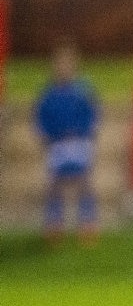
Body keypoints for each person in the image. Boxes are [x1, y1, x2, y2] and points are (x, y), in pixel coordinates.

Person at [34, 41, 100, 246]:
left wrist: (85, 134)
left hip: (79, 141)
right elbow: (41, 117)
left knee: (83, 183)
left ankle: (87, 224)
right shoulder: (49, 93)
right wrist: (48, 135)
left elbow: (92, 114)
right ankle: (54, 224)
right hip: (57, 144)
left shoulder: (83, 91)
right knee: (55, 185)